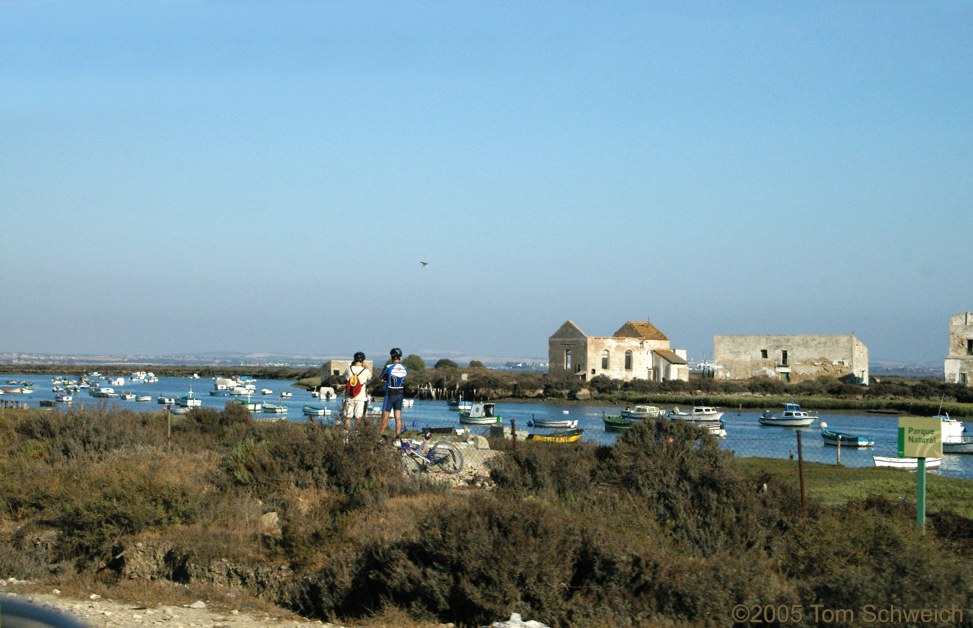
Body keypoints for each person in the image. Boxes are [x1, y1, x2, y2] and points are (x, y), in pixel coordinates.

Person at [379, 347, 408, 435]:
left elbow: (381, 378)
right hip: (400, 394)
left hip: (390, 393)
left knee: (385, 417)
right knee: (398, 417)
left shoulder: (388, 367)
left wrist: (385, 380)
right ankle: (398, 436)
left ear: (392, 356)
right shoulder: (405, 368)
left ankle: (379, 436)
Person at [342, 351, 371, 429]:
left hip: (349, 396)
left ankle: (345, 437)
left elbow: (346, 378)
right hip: (360, 397)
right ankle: (356, 436)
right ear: (363, 360)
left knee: (348, 417)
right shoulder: (365, 371)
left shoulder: (348, 369)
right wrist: (365, 366)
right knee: (358, 417)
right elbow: (369, 377)